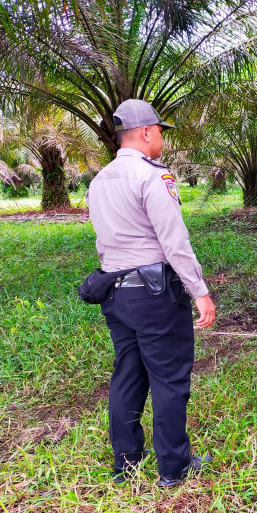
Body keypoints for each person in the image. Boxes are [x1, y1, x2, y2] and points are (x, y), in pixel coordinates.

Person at [87, 99, 217, 488]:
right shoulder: (152, 177)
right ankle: (174, 468)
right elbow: (174, 240)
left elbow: (103, 242)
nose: (161, 138)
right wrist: (200, 291)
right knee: (169, 378)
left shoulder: (99, 180)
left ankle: (125, 460)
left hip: (115, 292)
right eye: (159, 131)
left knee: (128, 373)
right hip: (155, 292)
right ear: (145, 132)